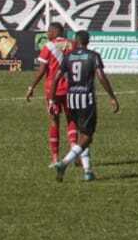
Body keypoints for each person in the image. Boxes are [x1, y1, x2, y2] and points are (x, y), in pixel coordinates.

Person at [49, 31, 118, 182]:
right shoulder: (93, 56)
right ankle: (64, 163)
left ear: (76, 41)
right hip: (86, 100)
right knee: (87, 137)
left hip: (71, 99)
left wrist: (52, 99)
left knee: (82, 134)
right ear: (88, 41)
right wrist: (112, 96)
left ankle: (88, 171)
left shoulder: (68, 57)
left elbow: (56, 78)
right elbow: (100, 76)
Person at [23, 21, 75, 163]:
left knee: (54, 122)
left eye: (48, 31)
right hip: (69, 88)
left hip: (52, 89)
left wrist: (31, 87)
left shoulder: (48, 46)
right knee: (71, 119)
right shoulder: (72, 44)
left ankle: (55, 157)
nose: (47, 34)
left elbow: (42, 70)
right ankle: (74, 152)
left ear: (54, 32)